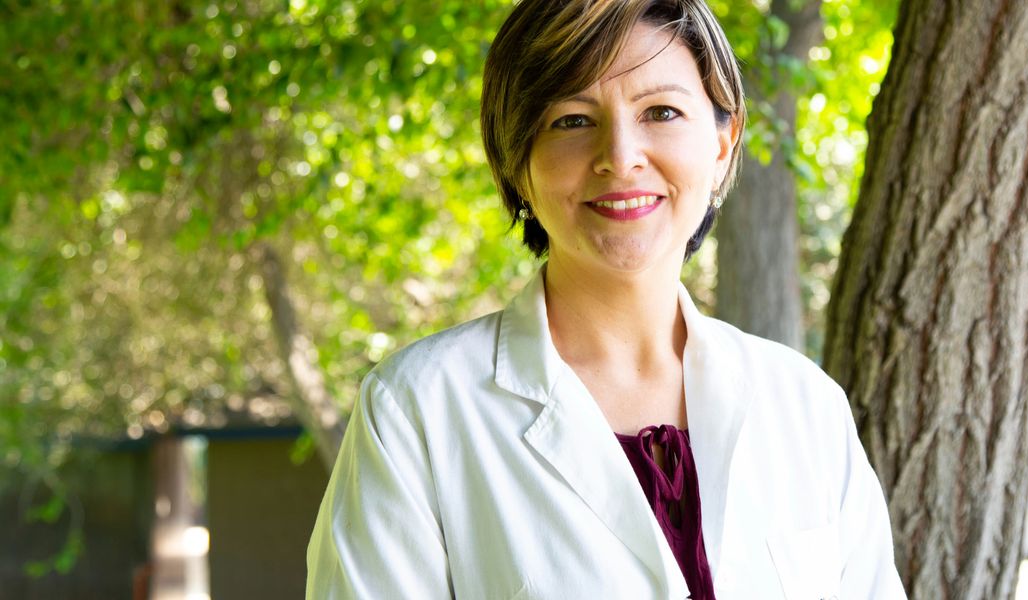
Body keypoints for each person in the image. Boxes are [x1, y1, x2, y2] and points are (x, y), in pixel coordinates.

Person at [306, 0, 905, 598]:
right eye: (572, 120)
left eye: (661, 112)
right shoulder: (416, 410)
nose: (620, 158)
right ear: (517, 162)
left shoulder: (805, 406)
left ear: (723, 144)